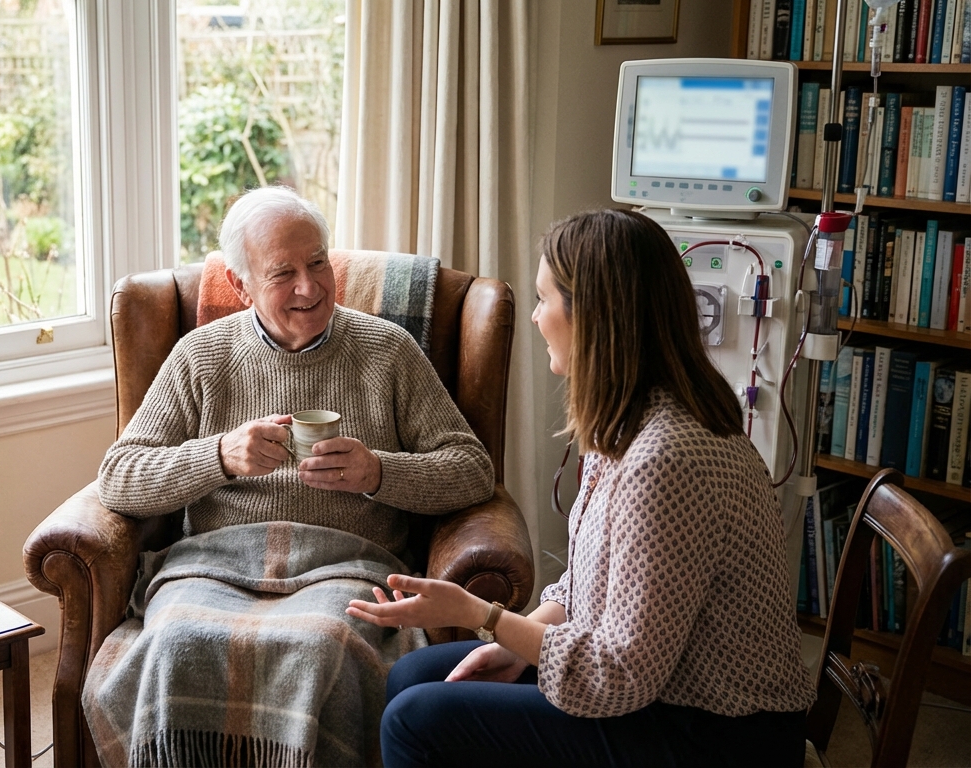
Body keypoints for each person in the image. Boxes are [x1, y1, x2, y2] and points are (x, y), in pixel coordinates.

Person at [347, 209, 815, 767]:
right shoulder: (626, 421)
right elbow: (590, 586)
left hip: (717, 733)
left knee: (415, 722)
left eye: (546, 300)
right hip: (659, 690)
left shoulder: (666, 458)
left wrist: (485, 616)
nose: (537, 317)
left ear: (592, 317)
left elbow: (617, 676)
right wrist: (514, 645)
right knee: (413, 675)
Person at [83, 185, 495, 767]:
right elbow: (119, 476)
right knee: (178, 641)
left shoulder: (389, 351)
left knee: (322, 647)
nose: (310, 286)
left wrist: (378, 472)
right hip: (215, 564)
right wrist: (220, 456)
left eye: (319, 262)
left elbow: (472, 470)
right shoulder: (201, 355)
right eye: (283, 273)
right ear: (240, 281)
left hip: (345, 565)